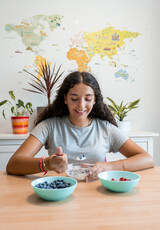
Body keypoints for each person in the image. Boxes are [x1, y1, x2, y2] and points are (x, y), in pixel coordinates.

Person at [6, 71, 154, 181]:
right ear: (65, 98)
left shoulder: (106, 128)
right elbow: (13, 164)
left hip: (98, 194)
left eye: (88, 99)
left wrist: (107, 167)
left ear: (95, 100)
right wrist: (48, 163)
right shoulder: (49, 126)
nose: (81, 105)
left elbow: (147, 159)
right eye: (74, 98)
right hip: (60, 191)